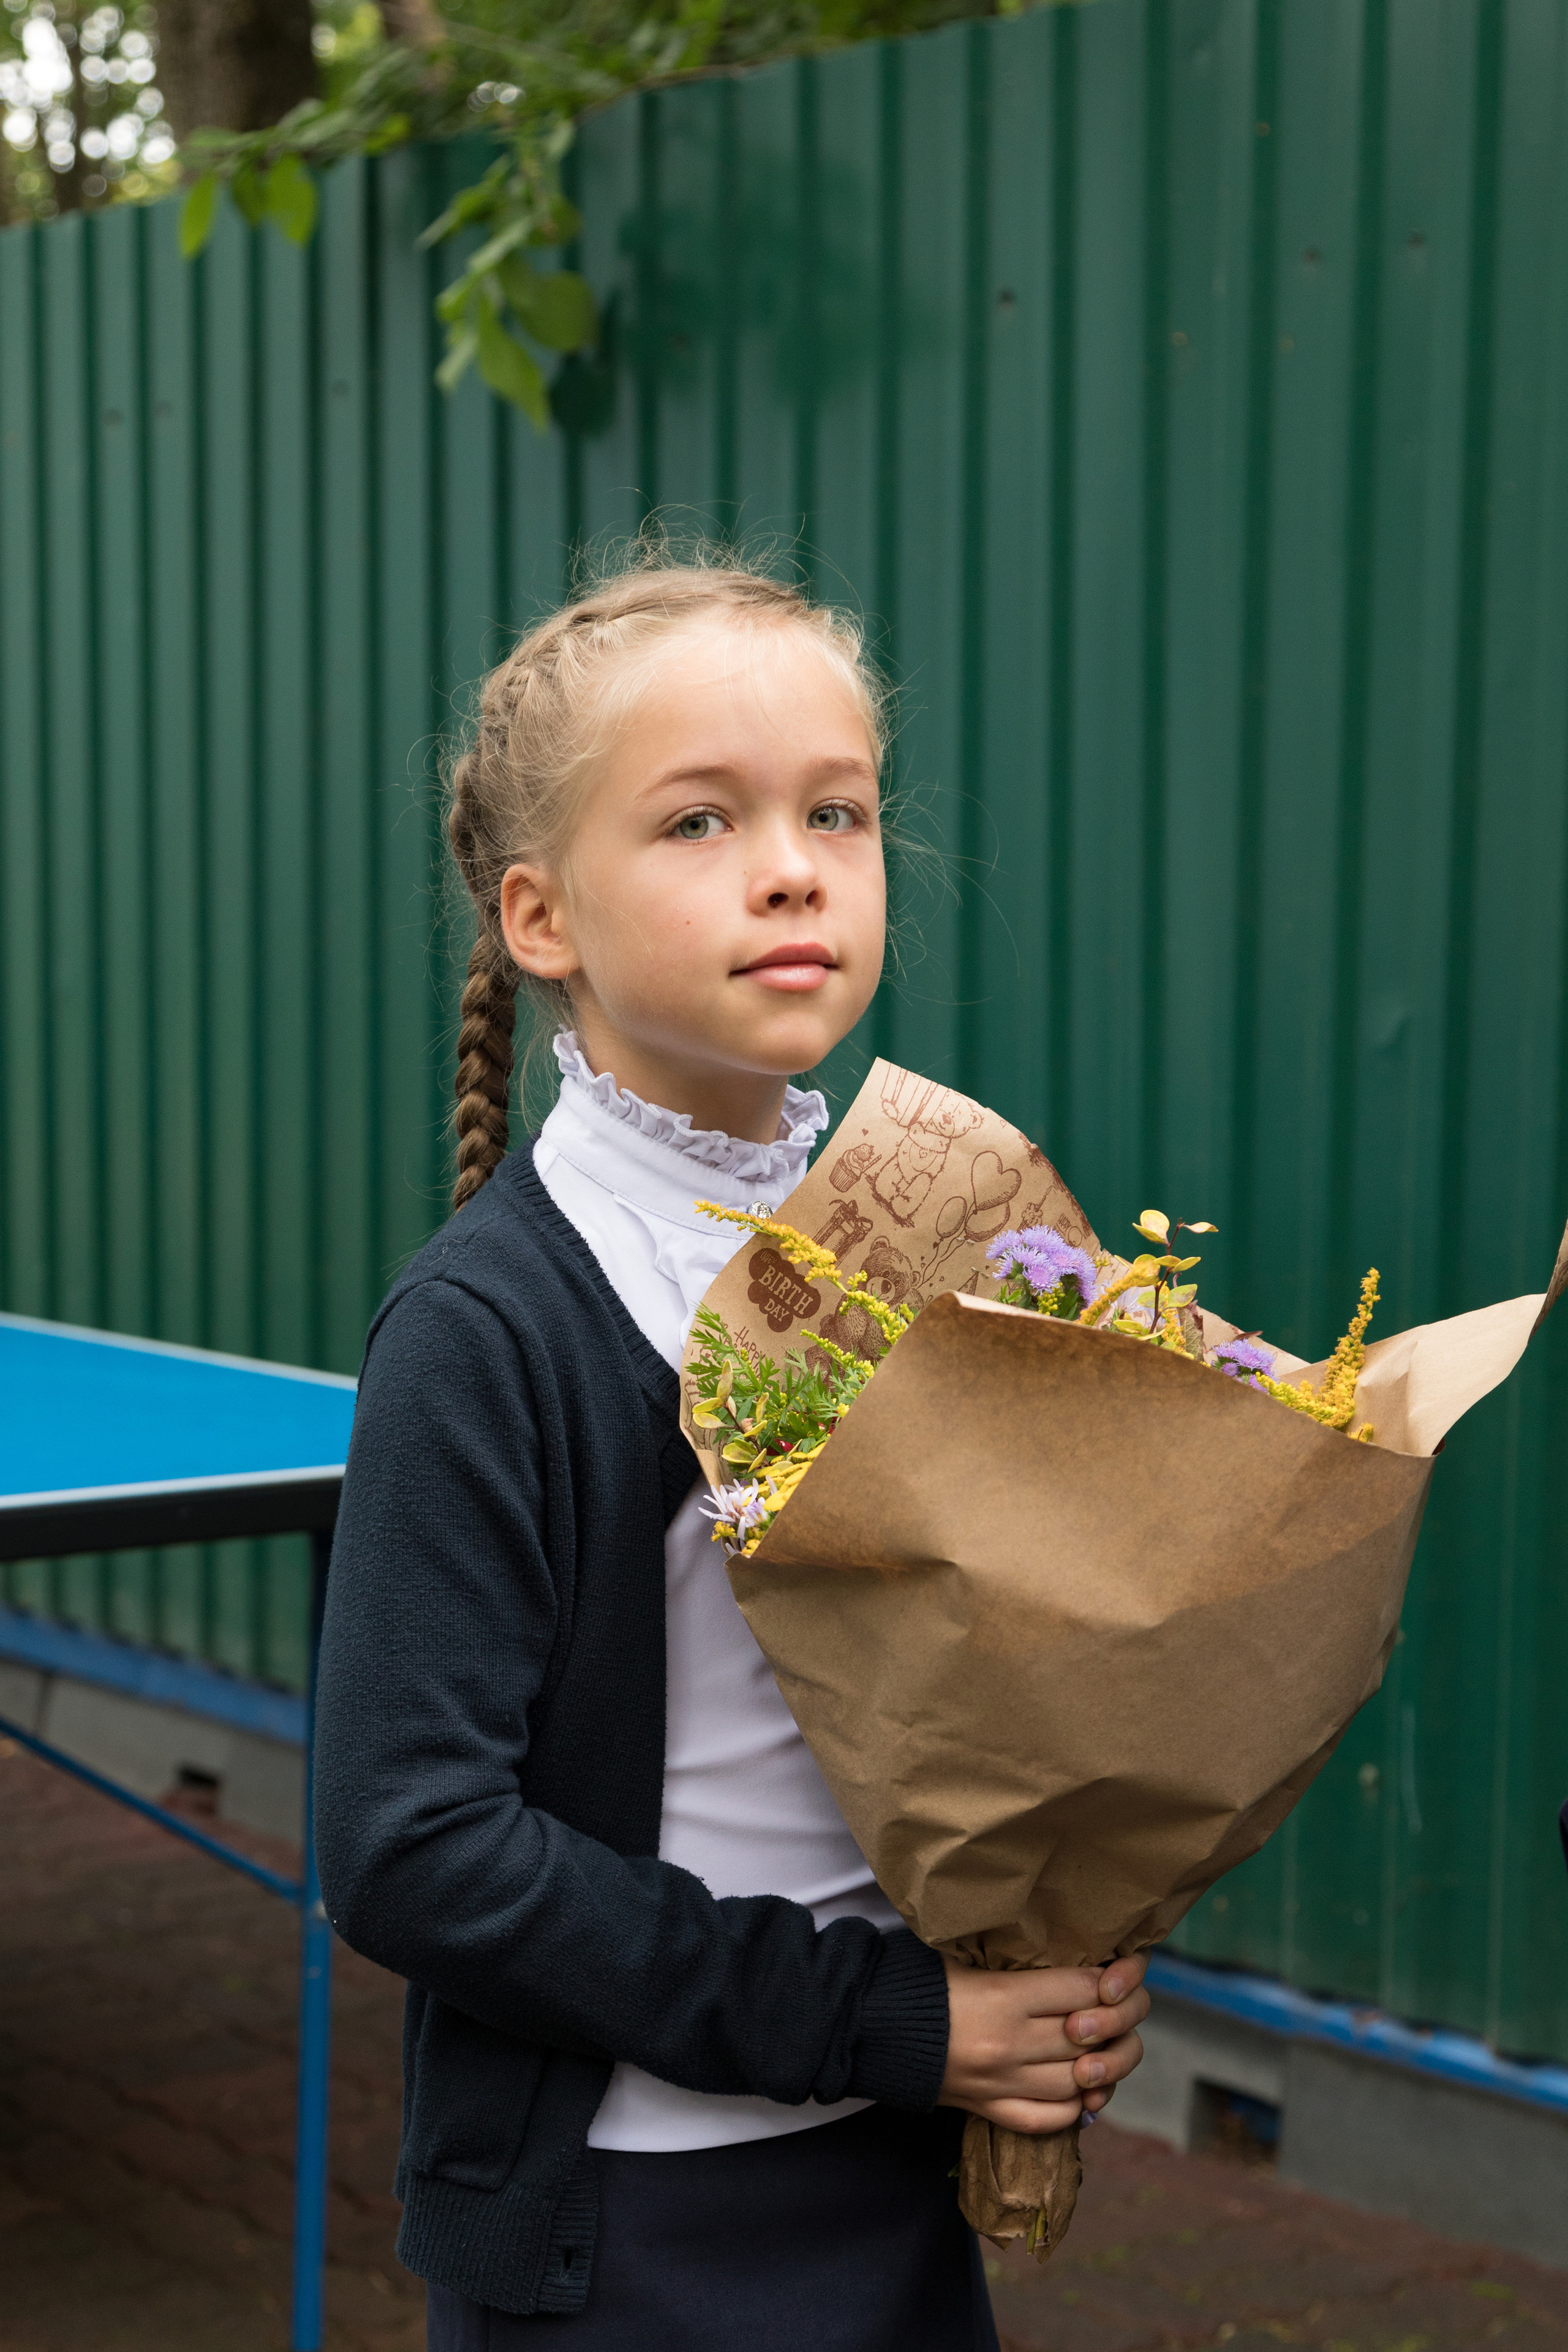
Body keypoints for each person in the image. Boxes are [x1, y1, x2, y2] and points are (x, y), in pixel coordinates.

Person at [312, 553, 1150, 2350]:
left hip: (889, 2169)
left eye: (836, 811)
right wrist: (891, 2019)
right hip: (635, 2218)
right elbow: (412, 1847)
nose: (792, 864)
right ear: (542, 919)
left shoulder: (931, 1237)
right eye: (699, 820)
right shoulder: (490, 1332)